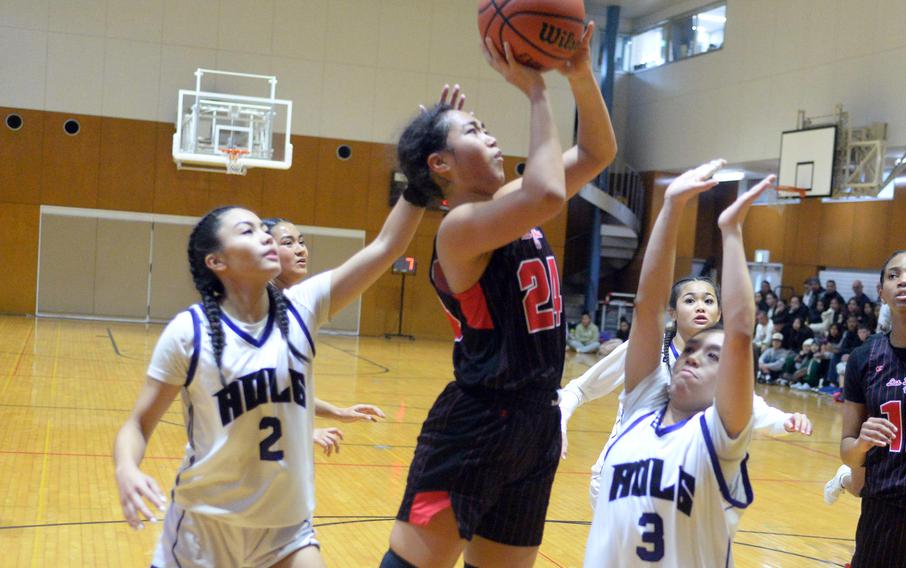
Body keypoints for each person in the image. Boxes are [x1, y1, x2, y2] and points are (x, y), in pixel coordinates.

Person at [383, 24, 617, 568]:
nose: (490, 136)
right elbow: (549, 191)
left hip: (537, 420)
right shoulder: (459, 230)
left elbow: (599, 151)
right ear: (441, 165)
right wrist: (537, 90)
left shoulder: (510, 203)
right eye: (474, 129)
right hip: (478, 421)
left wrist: (579, 75)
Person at [113, 190, 427, 566]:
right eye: (248, 231)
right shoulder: (188, 333)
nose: (264, 235)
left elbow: (386, 246)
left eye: (265, 229)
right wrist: (126, 468)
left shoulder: (303, 307)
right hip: (206, 530)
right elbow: (138, 423)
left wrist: (419, 187)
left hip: (287, 530)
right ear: (216, 261)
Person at [558, 171, 810, 509]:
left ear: (719, 313)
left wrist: (786, 421)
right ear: (673, 312)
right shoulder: (647, 354)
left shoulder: (720, 363)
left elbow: (751, 408)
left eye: (708, 300)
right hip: (621, 476)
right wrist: (560, 418)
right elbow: (579, 388)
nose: (701, 306)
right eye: (690, 300)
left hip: (680, 485)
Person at [582, 166, 772, 566]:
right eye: (691, 351)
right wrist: (670, 205)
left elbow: (739, 333)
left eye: (713, 357)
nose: (694, 357)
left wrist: (731, 232)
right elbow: (648, 308)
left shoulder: (719, 439)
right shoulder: (640, 408)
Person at [263, 216, 387, 455]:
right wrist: (301, 432)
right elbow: (252, 394)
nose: (300, 250)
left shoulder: (294, 303)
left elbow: (288, 391)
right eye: (288, 243)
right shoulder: (255, 312)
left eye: (301, 242)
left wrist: (338, 412)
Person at [840, 250, 906, 566]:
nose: (904, 281)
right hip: (882, 511)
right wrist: (862, 444)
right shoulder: (863, 359)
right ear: (881, 292)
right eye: (893, 275)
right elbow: (848, 451)